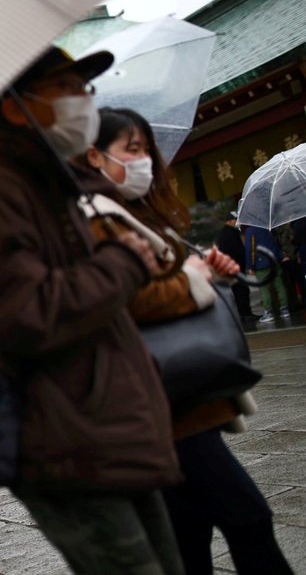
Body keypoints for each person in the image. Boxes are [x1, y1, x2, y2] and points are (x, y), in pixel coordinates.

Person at [0, 46, 185, 574]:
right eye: (68, 88)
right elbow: (23, 317)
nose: (85, 102)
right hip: (62, 435)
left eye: (86, 89)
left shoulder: (56, 186)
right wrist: (123, 262)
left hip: (104, 424)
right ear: (15, 107)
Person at [78, 107, 293, 575]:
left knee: (187, 537)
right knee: (248, 517)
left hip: (178, 393)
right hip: (160, 401)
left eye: (146, 150)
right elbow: (122, 301)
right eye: (131, 150)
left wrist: (204, 272)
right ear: (94, 156)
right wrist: (193, 280)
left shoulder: (129, 215)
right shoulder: (94, 222)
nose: (144, 161)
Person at [244, 225, 290, 322]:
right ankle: (284, 309)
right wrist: (280, 256)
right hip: (274, 261)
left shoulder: (250, 231)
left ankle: (268, 312)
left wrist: (250, 266)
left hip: (261, 264)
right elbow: (274, 243)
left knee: (264, 289)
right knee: (279, 286)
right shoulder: (265, 227)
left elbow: (250, 250)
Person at [214, 211, 254, 322]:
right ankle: (244, 314)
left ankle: (246, 312)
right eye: (236, 220)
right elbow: (235, 252)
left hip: (236, 268)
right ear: (230, 221)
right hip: (235, 269)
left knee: (242, 291)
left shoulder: (229, 233)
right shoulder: (228, 234)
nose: (237, 222)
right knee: (240, 291)